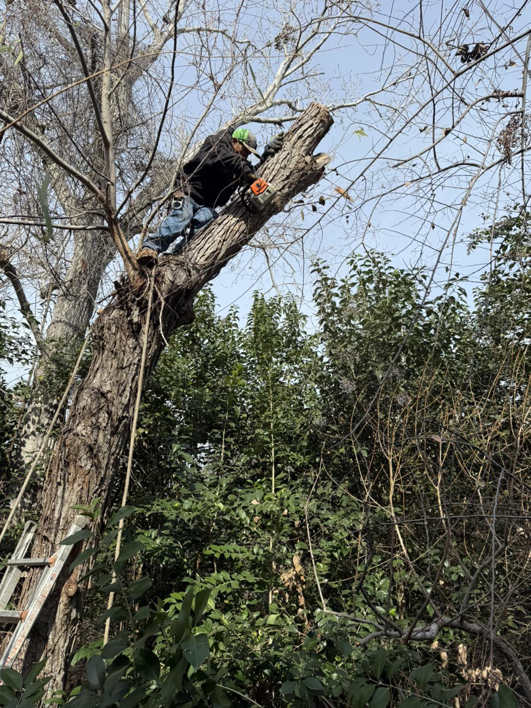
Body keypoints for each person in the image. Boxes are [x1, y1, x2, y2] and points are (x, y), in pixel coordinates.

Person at [137, 127, 284, 265]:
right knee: (181, 218)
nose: (247, 155)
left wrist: (266, 157)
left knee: (205, 226)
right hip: (189, 193)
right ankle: (150, 248)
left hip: (208, 205)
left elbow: (247, 175)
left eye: (249, 152)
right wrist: (246, 171)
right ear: (234, 141)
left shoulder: (238, 163)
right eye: (245, 150)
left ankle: (174, 258)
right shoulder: (216, 144)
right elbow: (229, 160)